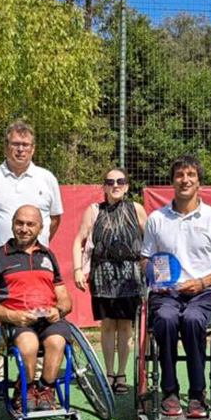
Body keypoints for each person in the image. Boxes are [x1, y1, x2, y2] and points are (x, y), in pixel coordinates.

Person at [140, 155, 211, 418]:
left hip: (202, 293)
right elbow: (145, 259)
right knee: (166, 319)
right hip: (165, 295)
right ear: (172, 181)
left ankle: (197, 395)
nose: (185, 180)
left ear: (199, 183)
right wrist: (156, 279)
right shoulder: (156, 219)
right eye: (180, 175)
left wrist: (203, 282)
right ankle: (170, 392)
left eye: (191, 175)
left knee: (194, 320)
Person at [0, 205, 73, 412]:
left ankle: (45, 389)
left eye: (30, 224)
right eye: (19, 223)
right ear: (12, 225)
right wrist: (12, 316)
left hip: (47, 320)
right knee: (29, 344)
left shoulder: (48, 256)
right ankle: (26, 389)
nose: (24, 228)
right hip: (16, 321)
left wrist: (59, 310)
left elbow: (65, 299)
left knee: (57, 341)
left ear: (40, 228)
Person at [71, 168, 147, 394]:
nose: (116, 185)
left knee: (125, 326)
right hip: (102, 274)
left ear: (127, 185)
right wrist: (77, 269)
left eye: (121, 181)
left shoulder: (137, 209)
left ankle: (121, 374)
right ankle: (108, 372)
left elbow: (152, 239)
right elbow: (79, 241)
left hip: (131, 276)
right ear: (104, 186)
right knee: (107, 326)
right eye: (110, 181)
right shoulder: (94, 210)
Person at [0, 121, 63, 256]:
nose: (20, 149)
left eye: (26, 144)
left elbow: (55, 219)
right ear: (5, 147)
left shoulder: (47, 179)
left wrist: (35, 243)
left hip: (37, 262)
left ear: (33, 149)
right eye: (15, 144)